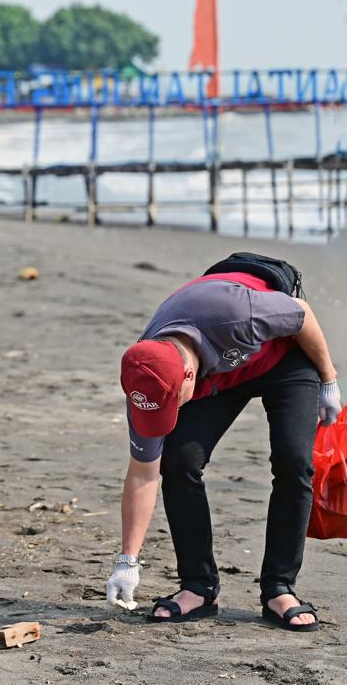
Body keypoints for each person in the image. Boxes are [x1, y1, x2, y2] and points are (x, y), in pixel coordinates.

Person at [105, 264, 341, 630]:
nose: (172, 412)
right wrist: (127, 560)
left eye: (174, 403)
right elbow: (142, 474)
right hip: (221, 377)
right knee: (178, 460)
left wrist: (329, 379)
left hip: (282, 359)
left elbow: (302, 315)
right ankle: (199, 588)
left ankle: (279, 588)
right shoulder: (146, 379)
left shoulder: (237, 314)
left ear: (186, 377)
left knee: (294, 460)